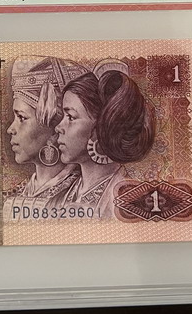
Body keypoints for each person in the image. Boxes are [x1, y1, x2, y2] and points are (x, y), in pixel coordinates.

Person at [53, 59, 155, 218]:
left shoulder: (126, 200)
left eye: (71, 117)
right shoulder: (60, 195)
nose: (58, 127)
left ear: (102, 126)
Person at [5, 56, 85, 199]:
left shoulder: (81, 194)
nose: (10, 129)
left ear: (55, 129)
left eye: (22, 117)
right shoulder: (14, 195)